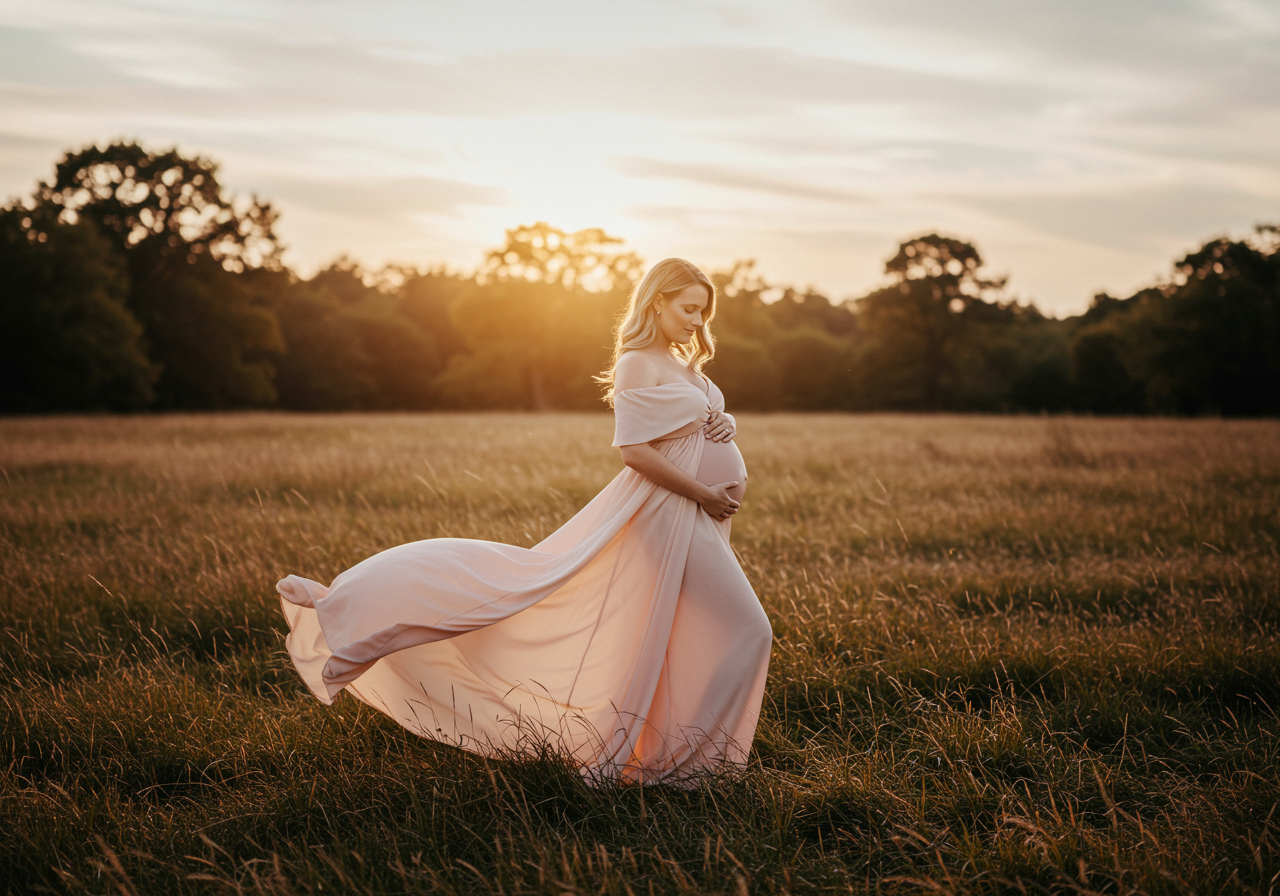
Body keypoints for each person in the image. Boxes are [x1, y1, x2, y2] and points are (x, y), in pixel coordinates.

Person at [277, 257, 772, 784]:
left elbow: (694, 419)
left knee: (682, 633)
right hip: (668, 513)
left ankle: (681, 759)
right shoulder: (636, 361)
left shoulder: (682, 363)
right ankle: (693, 768)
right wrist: (703, 494)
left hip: (698, 515)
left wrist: (724, 421)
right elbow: (633, 451)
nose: (697, 321)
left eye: (703, 312)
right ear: (657, 301)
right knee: (749, 629)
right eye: (688, 309)